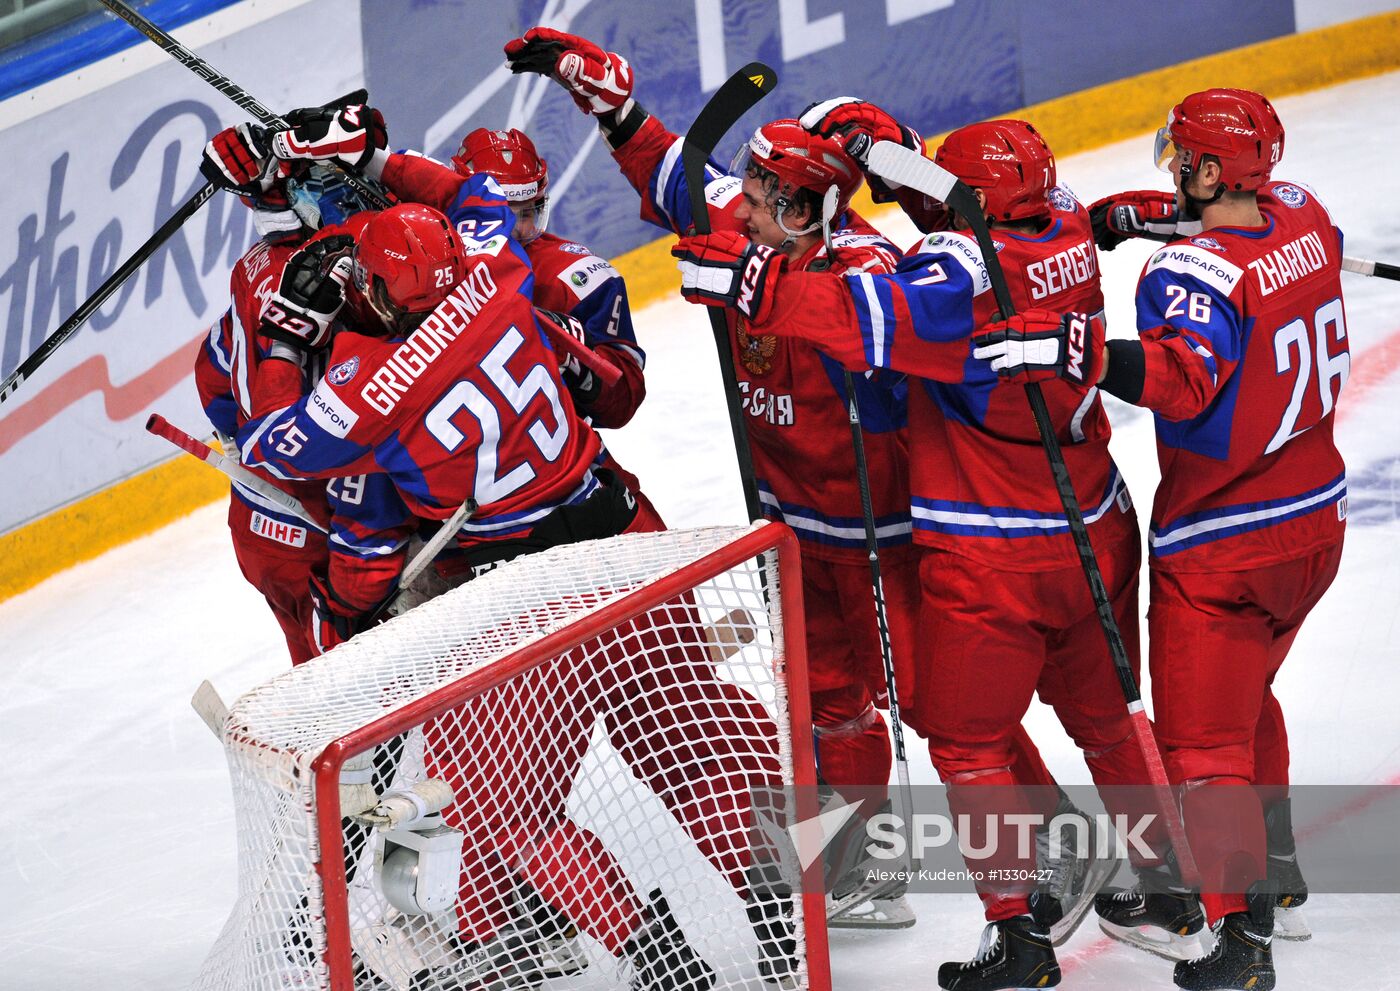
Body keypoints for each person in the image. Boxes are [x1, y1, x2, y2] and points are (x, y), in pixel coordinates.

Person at [672, 103, 1178, 991]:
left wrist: (763, 288)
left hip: (990, 539)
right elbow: (959, 214)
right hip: (1090, 515)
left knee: (962, 735)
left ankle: (1018, 928)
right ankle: (1182, 888)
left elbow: (873, 315)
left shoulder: (950, 273)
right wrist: (887, 152)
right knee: (1105, 719)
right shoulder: (1057, 217)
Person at [504, 27, 923, 928]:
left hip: (880, 529)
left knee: (940, 710)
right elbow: (674, 174)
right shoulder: (752, 219)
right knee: (823, 700)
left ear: (809, 209)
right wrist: (610, 105)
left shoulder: (867, 269)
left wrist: (756, 284)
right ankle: (858, 863)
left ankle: (1065, 856)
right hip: (793, 521)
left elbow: (873, 334)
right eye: (754, 187)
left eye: (769, 196)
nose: (747, 205)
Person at [1062, 88, 1346, 991]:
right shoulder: (1304, 212)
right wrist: (1161, 218)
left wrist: (1087, 351)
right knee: (1247, 695)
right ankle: (1281, 876)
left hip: (1226, 545)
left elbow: (1184, 380)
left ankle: (1240, 937)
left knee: (1204, 748)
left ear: (1212, 169)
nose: (1173, 168)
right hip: (1315, 527)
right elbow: (1260, 248)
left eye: (1183, 159)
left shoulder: (1184, 277)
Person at [449, 125, 661, 520]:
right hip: (462, 505)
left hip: (564, 478)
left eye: (529, 212)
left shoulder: (578, 278)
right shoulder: (422, 271)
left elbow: (624, 401)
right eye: (505, 215)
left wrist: (574, 355)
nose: (522, 229)